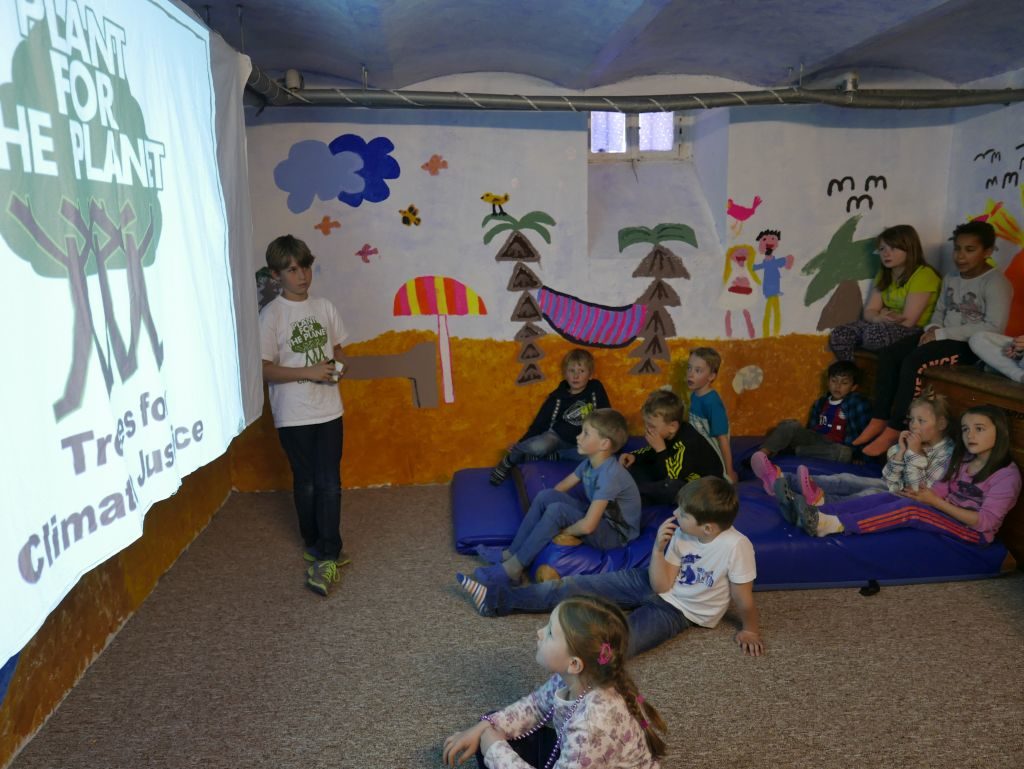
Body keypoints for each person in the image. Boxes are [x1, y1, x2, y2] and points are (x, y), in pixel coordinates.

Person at [457, 477, 764, 660]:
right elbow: (661, 584)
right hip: (653, 581)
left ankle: (572, 656)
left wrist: (750, 629)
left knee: (620, 642)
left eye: (683, 514)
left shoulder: (737, 547)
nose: (674, 514)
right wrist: (659, 549)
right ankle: (495, 600)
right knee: (572, 586)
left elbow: (743, 597)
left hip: (682, 612)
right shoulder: (681, 531)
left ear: (708, 528)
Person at [442, 595, 666, 769]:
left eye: (549, 632)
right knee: (492, 726)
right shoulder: (578, 677)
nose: (539, 632)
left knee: (491, 746)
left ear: (575, 664)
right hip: (581, 757)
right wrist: (482, 728)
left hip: (584, 752)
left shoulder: (593, 724)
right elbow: (535, 705)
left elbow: (581, 736)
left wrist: (494, 748)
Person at [854, 221, 1011, 456]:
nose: (960, 256)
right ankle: (880, 417)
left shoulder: (996, 282)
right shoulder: (951, 277)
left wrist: (942, 333)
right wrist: (933, 328)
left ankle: (897, 427)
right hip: (940, 335)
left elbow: (993, 327)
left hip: (968, 345)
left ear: (987, 252)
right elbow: (940, 310)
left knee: (914, 361)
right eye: (957, 248)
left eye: (970, 250)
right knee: (890, 354)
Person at [775, 405, 1021, 544]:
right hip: (943, 510)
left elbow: (985, 523)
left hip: (971, 531)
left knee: (911, 511)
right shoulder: (963, 459)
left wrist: (932, 502)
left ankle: (831, 525)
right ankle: (818, 513)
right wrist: (922, 495)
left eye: (979, 429)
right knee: (896, 498)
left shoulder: (1006, 477)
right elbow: (941, 489)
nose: (970, 436)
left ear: (999, 432)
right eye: (967, 429)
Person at [259, 235, 350, 596]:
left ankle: (329, 551)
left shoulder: (325, 307)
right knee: (308, 482)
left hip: (330, 410)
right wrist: (308, 372)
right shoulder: (272, 315)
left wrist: (338, 368)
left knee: (330, 482)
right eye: (292, 269)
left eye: (305, 266)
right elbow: (264, 369)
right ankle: (313, 541)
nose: (302, 275)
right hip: (293, 415)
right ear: (276, 274)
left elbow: (340, 349)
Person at [474, 409, 640, 586]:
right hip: (601, 518)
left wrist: (562, 531)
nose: (578, 437)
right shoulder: (590, 463)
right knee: (546, 496)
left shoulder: (609, 475)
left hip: (616, 534)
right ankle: (511, 553)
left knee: (557, 511)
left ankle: (514, 569)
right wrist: (546, 516)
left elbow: (588, 526)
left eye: (585, 433)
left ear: (604, 444)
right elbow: (560, 488)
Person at [754, 390, 955, 505]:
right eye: (912, 420)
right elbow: (890, 478)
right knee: (846, 479)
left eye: (921, 421)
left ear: (941, 424)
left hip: (907, 499)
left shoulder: (946, 454)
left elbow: (917, 491)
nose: (913, 426)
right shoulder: (908, 442)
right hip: (894, 487)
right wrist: (901, 452)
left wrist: (913, 453)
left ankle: (814, 502)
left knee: (866, 495)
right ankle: (779, 479)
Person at [490, 349, 610, 485]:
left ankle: (555, 455)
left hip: (582, 442)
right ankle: (509, 461)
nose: (576, 376)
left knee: (598, 455)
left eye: (581, 371)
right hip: (557, 437)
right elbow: (540, 423)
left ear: (590, 374)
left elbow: (606, 415)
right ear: (565, 373)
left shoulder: (595, 389)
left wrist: (607, 439)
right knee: (540, 445)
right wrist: (522, 443)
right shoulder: (557, 397)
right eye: (571, 371)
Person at [828, 224, 941, 362]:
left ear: (910, 249)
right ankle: (851, 373)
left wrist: (882, 317)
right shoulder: (884, 274)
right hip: (883, 324)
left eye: (893, 248)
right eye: (882, 249)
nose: (886, 254)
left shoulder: (923, 275)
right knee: (840, 334)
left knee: (873, 336)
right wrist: (878, 318)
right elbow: (870, 310)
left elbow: (908, 321)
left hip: (914, 331)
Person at [751, 360, 870, 467]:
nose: (837, 386)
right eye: (834, 381)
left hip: (835, 445)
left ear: (853, 387)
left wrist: (860, 456)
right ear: (828, 382)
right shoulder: (821, 402)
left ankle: (793, 451)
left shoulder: (855, 402)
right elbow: (811, 428)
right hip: (815, 438)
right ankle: (762, 455)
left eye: (844, 383)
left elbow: (863, 432)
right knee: (790, 425)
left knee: (845, 453)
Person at [619, 389, 724, 506]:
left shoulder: (687, 443)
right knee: (638, 466)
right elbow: (651, 452)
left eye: (651, 426)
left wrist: (661, 450)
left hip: (703, 490)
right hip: (675, 474)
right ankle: (632, 490)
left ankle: (630, 494)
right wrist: (634, 456)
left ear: (672, 426)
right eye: (646, 423)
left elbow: (672, 478)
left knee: (671, 488)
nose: (647, 429)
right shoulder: (668, 434)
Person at [686, 347, 737, 482]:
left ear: (711, 376)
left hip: (711, 457)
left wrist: (729, 471)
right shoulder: (694, 395)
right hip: (698, 451)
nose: (690, 374)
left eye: (698, 371)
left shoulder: (712, 402)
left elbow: (723, 439)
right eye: (689, 368)